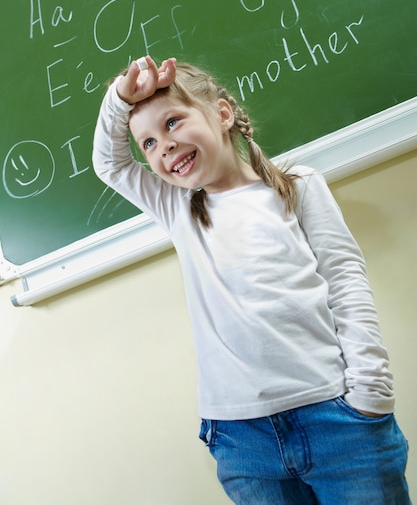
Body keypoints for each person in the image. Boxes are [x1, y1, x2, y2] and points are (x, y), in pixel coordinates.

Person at [92, 55, 410, 504]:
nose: (162, 145)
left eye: (173, 123)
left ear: (222, 115)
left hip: (339, 420)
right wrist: (120, 99)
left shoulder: (298, 187)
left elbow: (346, 281)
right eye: (147, 143)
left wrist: (370, 393)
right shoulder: (179, 211)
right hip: (243, 440)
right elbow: (110, 164)